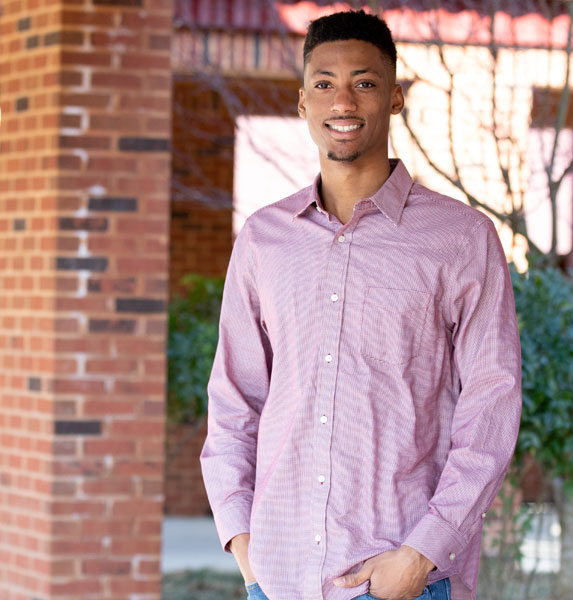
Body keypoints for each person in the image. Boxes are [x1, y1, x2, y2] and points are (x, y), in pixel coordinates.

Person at [200, 9, 523, 600]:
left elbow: (491, 408)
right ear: (302, 102)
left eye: (364, 82)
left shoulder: (460, 239)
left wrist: (422, 552)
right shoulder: (263, 240)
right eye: (324, 83)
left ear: (395, 97)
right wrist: (245, 545)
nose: (342, 101)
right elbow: (234, 401)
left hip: (403, 581)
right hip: (278, 579)